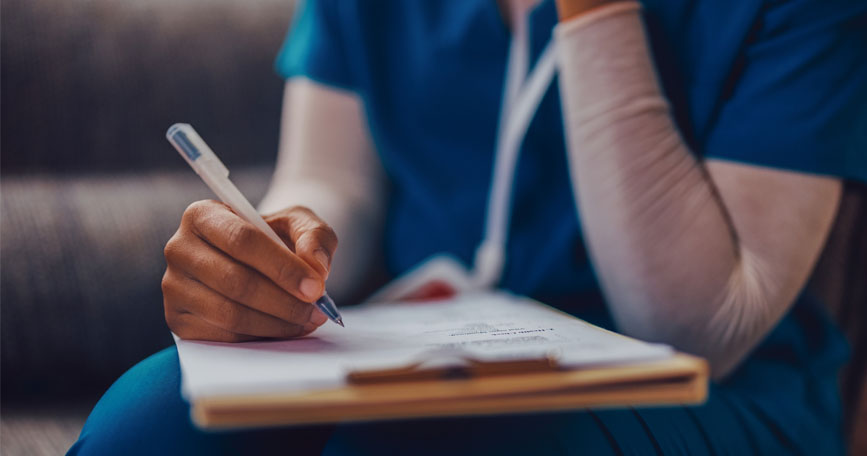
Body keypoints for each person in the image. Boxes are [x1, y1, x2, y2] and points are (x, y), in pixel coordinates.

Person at [69, 0, 867, 454]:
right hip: (428, 348)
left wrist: (594, 13)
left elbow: (699, 327)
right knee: (152, 417)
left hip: (707, 391)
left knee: (417, 445)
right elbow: (334, 180)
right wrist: (278, 253)